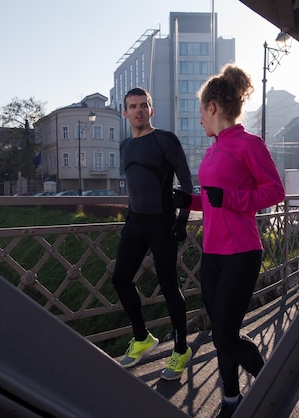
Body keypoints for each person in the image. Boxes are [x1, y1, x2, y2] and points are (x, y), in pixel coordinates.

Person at [173, 64, 285, 417]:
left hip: (241, 252)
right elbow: (212, 199)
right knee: (222, 330)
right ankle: (231, 402)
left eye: (200, 113)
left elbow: (275, 192)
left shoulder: (249, 144)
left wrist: (231, 200)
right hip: (212, 254)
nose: (200, 121)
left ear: (212, 108)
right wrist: (188, 201)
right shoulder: (213, 148)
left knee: (224, 336)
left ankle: (273, 390)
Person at [112, 87, 194, 381]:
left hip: (162, 223)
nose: (138, 110)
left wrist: (182, 220)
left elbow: (186, 183)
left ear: (151, 109)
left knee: (170, 286)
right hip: (135, 224)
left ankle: (181, 349)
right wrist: (129, 216)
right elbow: (135, 186)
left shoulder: (164, 139)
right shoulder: (125, 146)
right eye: (132, 106)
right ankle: (142, 337)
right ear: (125, 113)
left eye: (143, 105)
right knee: (120, 279)